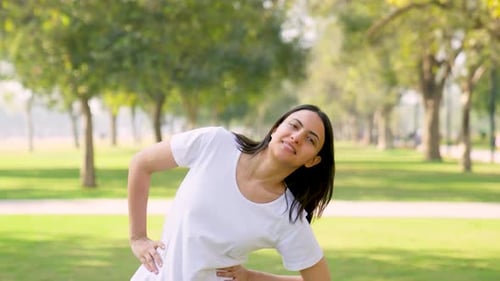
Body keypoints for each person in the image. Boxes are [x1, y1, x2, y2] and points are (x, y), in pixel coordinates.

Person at [127, 104, 335, 280]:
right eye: (294, 125)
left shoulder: (287, 216)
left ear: (312, 160)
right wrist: (138, 238)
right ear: (275, 128)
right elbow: (141, 163)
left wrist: (251, 277)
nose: (297, 137)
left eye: (311, 139)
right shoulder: (216, 143)